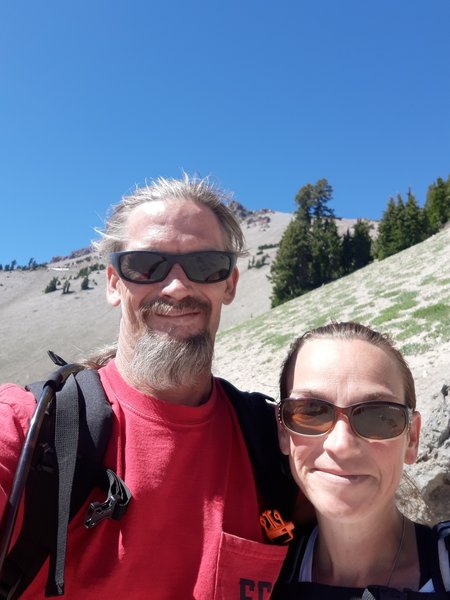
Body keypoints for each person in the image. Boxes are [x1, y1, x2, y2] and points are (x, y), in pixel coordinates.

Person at [0, 176, 296, 599]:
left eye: (204, 264)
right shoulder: (29, 426)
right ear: (113, 283)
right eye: (145, 265)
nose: (176, 287)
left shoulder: (274, 443)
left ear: (229, 284)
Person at [273, 321, 450, 599]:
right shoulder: (268, 578)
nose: (342, 445)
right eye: (311, 411)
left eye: (379, 416)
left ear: (412, 438)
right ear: (283, 431)